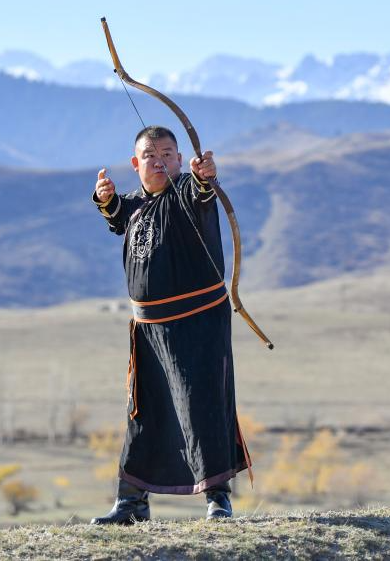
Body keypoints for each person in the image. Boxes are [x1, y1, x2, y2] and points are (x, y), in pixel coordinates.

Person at [89, 125, 251, 524]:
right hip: (149, 331)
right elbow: (117, 214)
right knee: (144, 412)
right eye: (150, 155)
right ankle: (132, 503)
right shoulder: (136, 203)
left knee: (202, 405)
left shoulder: (187, 193)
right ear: (136, 163)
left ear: (180, 160)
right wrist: (105, 198)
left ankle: (217, 499)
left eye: (167, 154)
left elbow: (202, 190)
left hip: (198, 324)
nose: (159, 161)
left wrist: (205, 175)